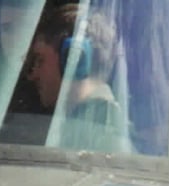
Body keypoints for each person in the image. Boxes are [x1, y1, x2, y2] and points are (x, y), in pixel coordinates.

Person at [26, 4, 130, 152]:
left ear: (73, 57)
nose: (33, 75)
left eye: (40, 60)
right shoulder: (87, 126)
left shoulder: (102, 138)